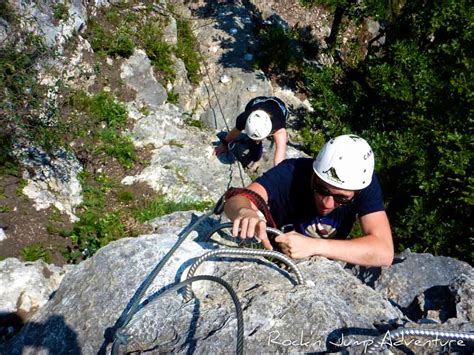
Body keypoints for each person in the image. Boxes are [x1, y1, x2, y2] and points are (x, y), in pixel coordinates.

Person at [223, 134, 394, 267]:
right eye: (321, 189)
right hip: (273, 255)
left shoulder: (363, 185)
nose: (327, 203)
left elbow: (384, 251)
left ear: (356, 192)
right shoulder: (291, 172)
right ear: (313, 174)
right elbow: (238, 199)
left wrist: (314, 246)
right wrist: (245, 211)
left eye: (341, 198)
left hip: (323, 265)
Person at [214, 96, 289, 168]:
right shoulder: (244, 118)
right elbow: (236, 130)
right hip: (257, 102)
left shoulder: (279, 129)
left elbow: (279, 161)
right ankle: (255, 156)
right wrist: (224, 144)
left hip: (279, 107)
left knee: (257, 145)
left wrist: (279, 175)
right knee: (254, 145)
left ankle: (256, 155)